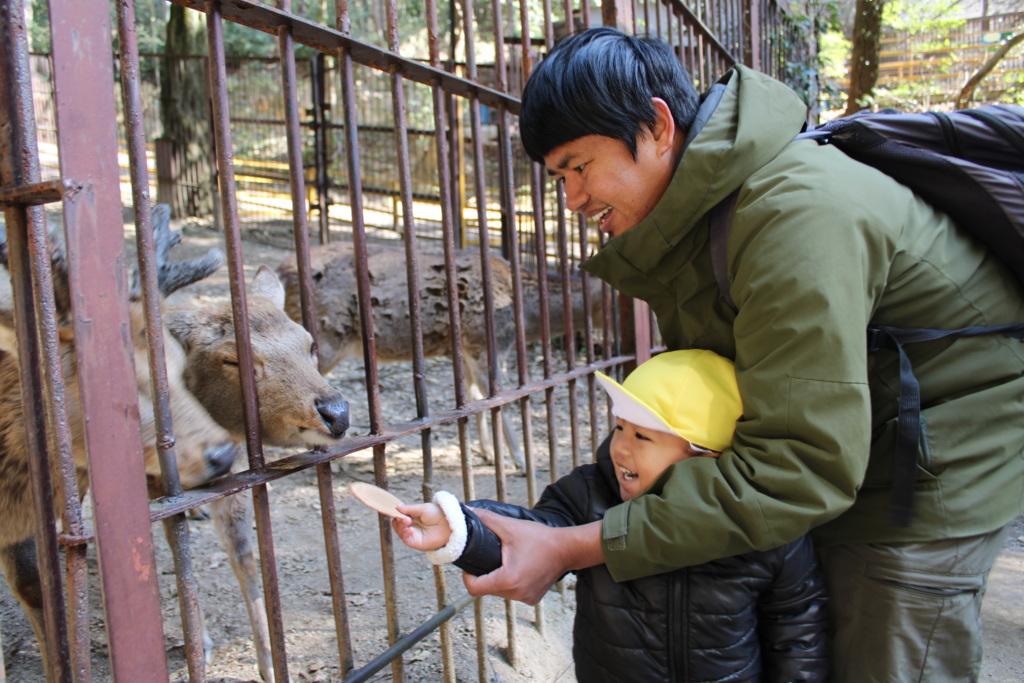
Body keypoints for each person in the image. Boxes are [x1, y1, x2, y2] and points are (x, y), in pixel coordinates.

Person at [460, 26, 1024, 683]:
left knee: (881, 654)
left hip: (936, 456)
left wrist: (574, 547)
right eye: (559, 178)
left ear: (658, 126)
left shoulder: (792, 215)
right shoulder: (702, 215)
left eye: (579, 167)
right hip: (860, 436)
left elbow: (798, 465)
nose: (573, 199)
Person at [394, 349, 829, 682]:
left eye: (643, 437)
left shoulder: (761, 524)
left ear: (706, 456)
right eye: (620, 427)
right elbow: (533, 535)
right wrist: (464, 530)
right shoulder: (592, 493)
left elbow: (797, 628)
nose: (621, 447)